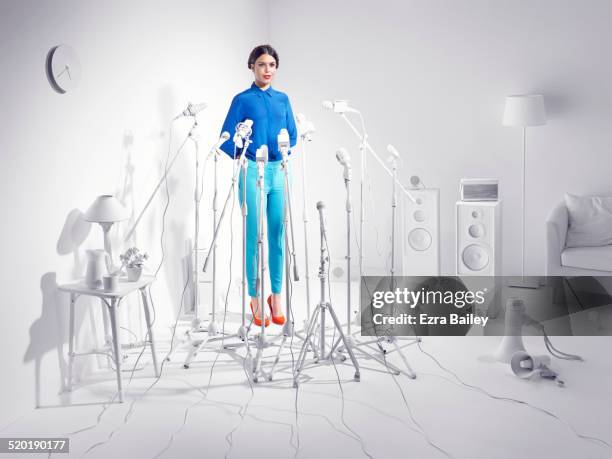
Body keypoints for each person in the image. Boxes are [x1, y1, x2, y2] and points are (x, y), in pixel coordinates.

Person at [219, 44, 297, 327]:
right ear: (252, 66)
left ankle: (276, 296)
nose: (268, 70)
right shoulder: (242, 99)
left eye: (272, 65)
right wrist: (244, 153)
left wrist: (282, 150)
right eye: (262, 64)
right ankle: (254, 296)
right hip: (251, 171)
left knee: (277, 235)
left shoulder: (283, 99)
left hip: (278, 171)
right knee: (254, 235)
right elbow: (226, 137)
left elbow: (294, 135)